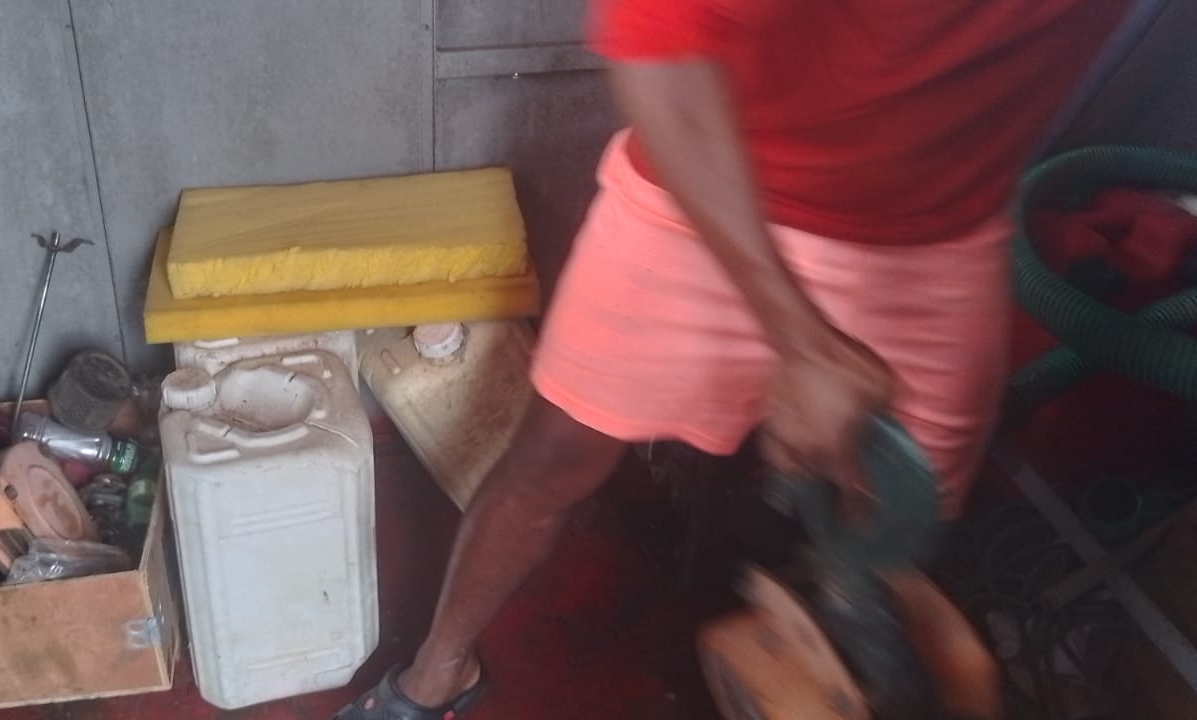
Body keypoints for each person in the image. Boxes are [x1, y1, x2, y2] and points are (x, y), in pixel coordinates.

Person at [334, 0, 1131, 717]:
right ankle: (440, 670)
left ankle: (819, 635)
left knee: (902, 519)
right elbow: (659, 55)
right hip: (717, 188)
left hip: (936, 237)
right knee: (554, 456)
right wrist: (802, 344)